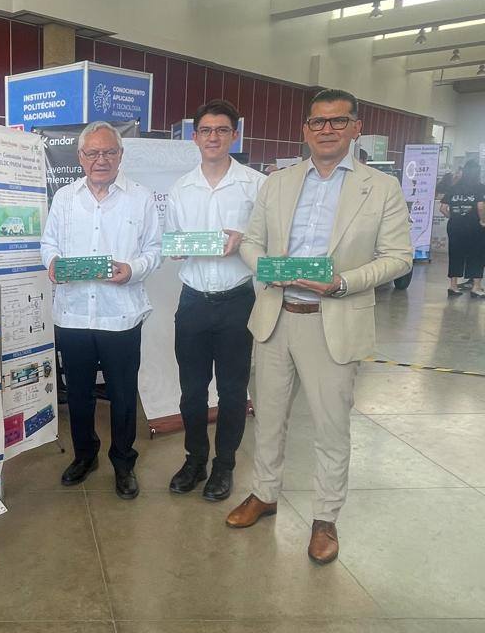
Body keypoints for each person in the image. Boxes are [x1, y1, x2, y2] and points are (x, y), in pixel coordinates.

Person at [227, 89, 412, 563]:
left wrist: (343, 283)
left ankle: (325, 517)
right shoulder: (279, 182)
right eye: (317, 122)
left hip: (333, 322)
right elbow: (251, 240)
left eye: (337, 121)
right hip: (275, 317)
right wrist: (265, 266)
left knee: (331, 427)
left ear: (355, 128)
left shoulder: (380, 188)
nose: (327, 130)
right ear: (305, 129)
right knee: (269, 418)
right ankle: (264, 493)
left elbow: (398, 257)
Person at [40, 121, 161, 500]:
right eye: (92, 153)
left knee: (123, 396)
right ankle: (85, 456)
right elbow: (49, 243)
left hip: (120, 316)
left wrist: (133, 269)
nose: (101, 159)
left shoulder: (140, 198)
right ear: (80, 157)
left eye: (109, 152)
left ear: (120, 155)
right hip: (73, 315)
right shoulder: (64, 198)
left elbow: (154, 249)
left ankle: (123, 462)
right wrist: (53, 262)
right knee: (78, 394)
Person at [165, 100, 265, 502]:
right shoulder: (181, 188)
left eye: (222, 130)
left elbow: (270, 239)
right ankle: (195, 459)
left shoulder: (256, 185)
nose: (213, 137)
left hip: (237, 301)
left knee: (232, 390)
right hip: (193, 301)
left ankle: (224, 465)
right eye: (206, 130)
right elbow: (172, 241)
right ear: (195, 137)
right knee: (191, 390)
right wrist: (177, 247)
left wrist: (244, 240)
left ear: (234, 135)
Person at [440, 161, 485, 298]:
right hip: (474, 227)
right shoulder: (480, 187)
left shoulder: (454, 187)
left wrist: (454, 217)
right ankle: (476, 287)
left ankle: (453, 286)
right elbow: (480, 206)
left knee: (455, 254)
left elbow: (443, 208)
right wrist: (483, 221)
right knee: (476, 255)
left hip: (455, 227)